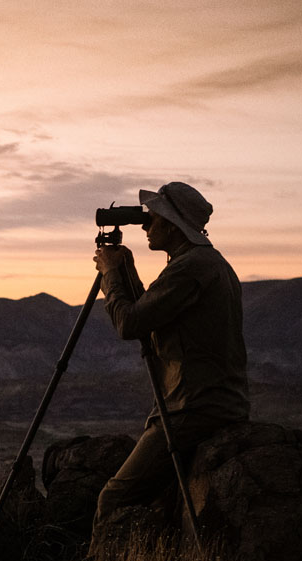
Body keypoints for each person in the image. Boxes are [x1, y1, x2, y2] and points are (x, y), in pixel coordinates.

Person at [91, 181, 250, 528]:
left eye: (154, 218)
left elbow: (130, 323)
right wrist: (126, 268)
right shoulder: (207, 263)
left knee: (112, 498)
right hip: (213, 402)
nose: (146, 225)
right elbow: (152, 312)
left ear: (173, 225)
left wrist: (110, 275)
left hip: (194, 408)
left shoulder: (189, 268)